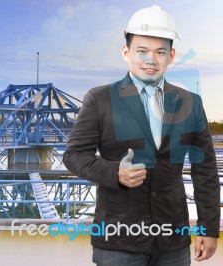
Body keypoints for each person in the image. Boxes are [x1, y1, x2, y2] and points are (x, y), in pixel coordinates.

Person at [63, 5, 220, 265]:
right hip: (118, 240)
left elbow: (204, 170)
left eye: (160, 52)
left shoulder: (189, 102)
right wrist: (115, 173)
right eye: (142, 51)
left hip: (173, 239)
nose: (151, 60)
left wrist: (207, 227)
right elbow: (74, 156)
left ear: (171, 55)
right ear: (126, 52)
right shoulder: (100, 99)